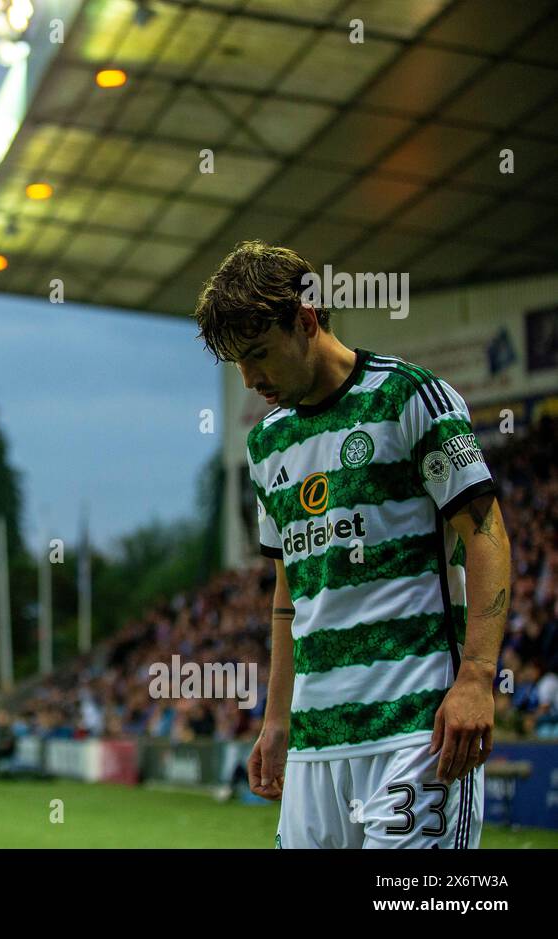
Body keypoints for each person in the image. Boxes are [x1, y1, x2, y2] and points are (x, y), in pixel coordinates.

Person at [193, 240, 512, 848]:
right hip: (315, 746)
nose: (251, 379)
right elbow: (290, 594)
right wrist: (277, 719)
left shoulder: (410, 398)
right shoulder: (266, 445)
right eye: (236, 362)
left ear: (307, 320)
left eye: (259, 353)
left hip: (416, 732)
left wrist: (476, 675)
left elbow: (488, 534)